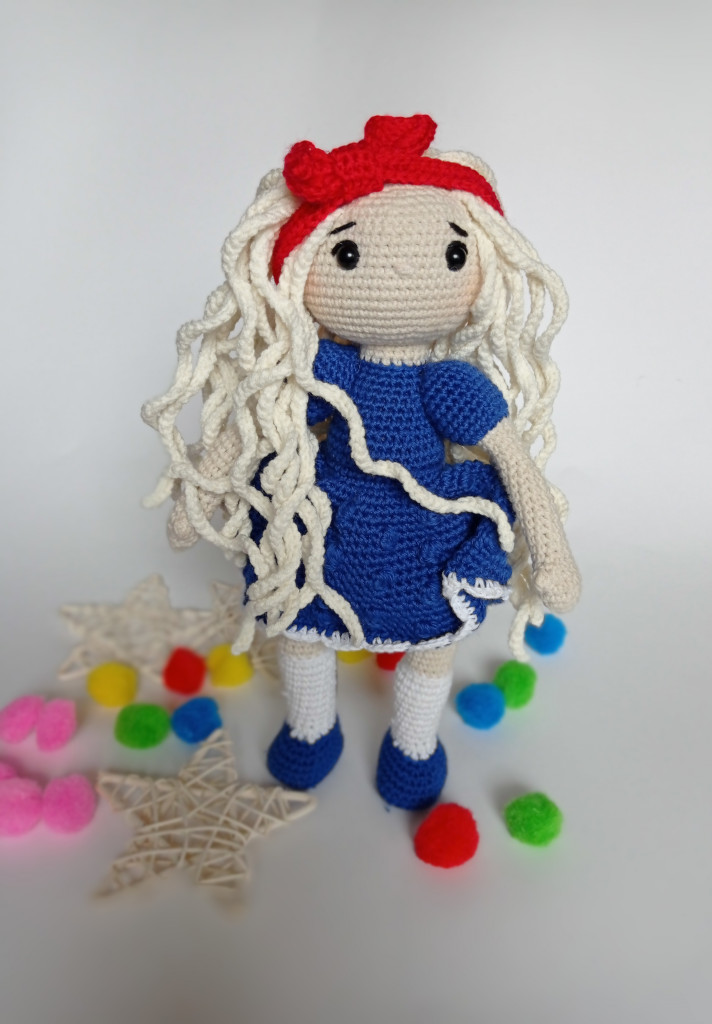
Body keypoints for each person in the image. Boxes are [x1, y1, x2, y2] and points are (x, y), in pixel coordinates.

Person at [142, 114, 580, 809]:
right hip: (327, 532)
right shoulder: (325, 371)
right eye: (346, 254)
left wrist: (550, 553)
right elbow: (262, 420)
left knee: (432, 640)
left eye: (452, 253)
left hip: (427, 536)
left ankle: (414, 744)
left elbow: (514, 464)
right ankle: (311, 728)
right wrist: (202, 488)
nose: (403, 272)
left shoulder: (451, 386)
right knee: (302, 623)